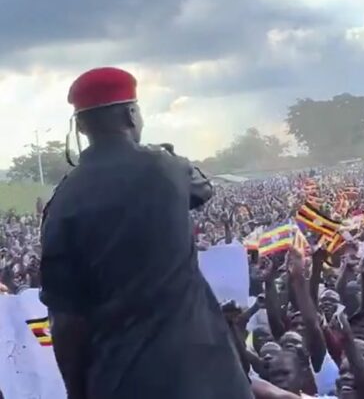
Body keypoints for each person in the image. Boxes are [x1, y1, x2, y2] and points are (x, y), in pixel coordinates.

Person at [40, 67, 253, 399]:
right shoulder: (165, 167)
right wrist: (167, 154)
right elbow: (203, 189)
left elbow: (65, 321)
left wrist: (77, 394)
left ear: (80, 127)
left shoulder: (62, 202)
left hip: (120, 382)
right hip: (205, 374)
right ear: (131, 114)